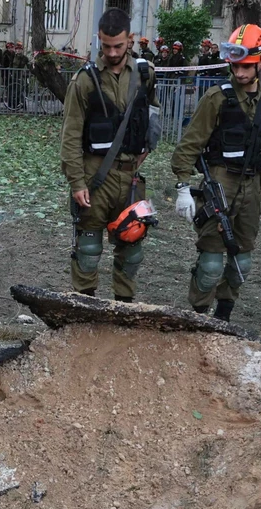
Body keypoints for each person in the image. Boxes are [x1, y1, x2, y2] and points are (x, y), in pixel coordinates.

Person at [170, 24, 261, 321]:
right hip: (220, 181)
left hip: (253, 186)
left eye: (247, 66)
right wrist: (182, 186)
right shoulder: (217, 98)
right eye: (236, 65)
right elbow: (188, 145)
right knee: (211, 264)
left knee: (241, 262)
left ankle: (224, 317)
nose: (240, 72)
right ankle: (200, 316)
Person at [60, 8, 158, 300]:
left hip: (130, 179)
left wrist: (148, 148)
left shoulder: (145, 74)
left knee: (131, 247)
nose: (112, 52)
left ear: (130, 39)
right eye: (106, 46)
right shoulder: (85, 81)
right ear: (98, 40)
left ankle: (124, 308)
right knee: (88, 249)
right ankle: (85, 306)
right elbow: (70, 135)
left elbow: (152, 114)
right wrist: (77, 182)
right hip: (94, 176)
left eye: (118, 45)